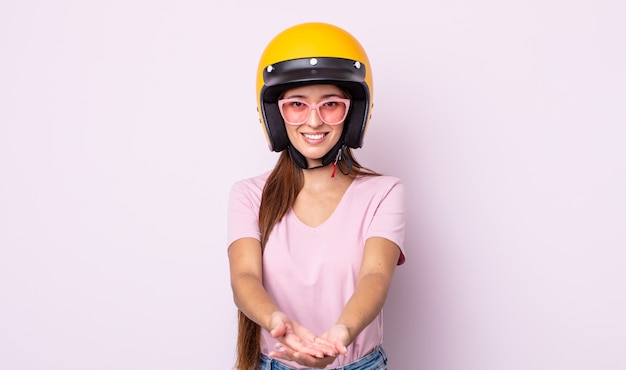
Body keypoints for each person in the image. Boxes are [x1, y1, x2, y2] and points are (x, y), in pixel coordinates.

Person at [227, 22, 407, 370]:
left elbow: (375, 277)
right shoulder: (249, 195)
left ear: (352, 113)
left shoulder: (384, 192)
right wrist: (277, 322)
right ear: (275, 115)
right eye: (297, 104)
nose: (314, 121)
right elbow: (243, 277)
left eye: (331, 104)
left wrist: (341, 334)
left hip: (358, 363)